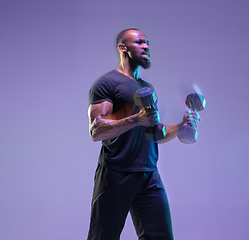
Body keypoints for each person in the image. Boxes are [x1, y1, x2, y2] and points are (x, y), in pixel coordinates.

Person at [87, 28, 200, 240]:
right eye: (139, 42)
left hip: (149, 174)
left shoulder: (147, 87)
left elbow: (155, 133)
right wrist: (135, 119)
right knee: (103, 237)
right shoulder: (107, 84)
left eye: (147, 43)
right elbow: (96, 130)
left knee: (161, 237)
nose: (146, 46)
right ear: (123, 48)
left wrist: (181, 125)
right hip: (116, 173)